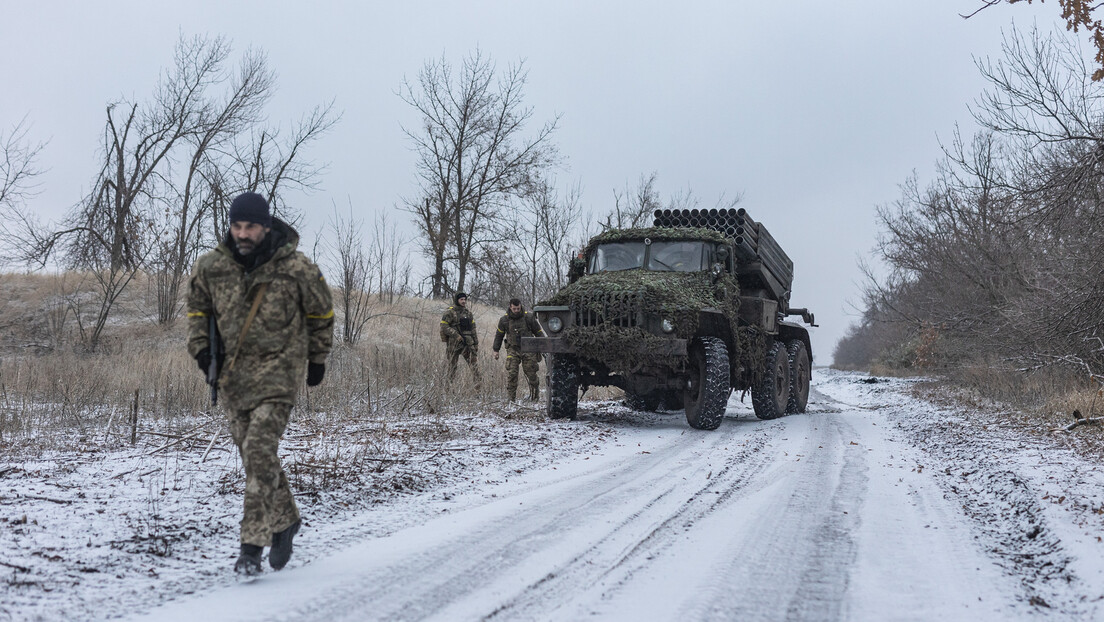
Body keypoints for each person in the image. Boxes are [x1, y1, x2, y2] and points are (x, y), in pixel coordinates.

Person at [186, 192, 334, 576]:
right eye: (237, 225)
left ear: (266, 226)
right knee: (255, 457)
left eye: (250, 226)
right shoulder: (212, 267)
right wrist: (202, 352)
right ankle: (286, 520)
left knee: (258, 447)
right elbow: (197, 311)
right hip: (234, 378)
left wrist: (316, 359)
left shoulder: (296, 268)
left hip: (279, 374)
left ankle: (251, 546)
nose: (243, 233)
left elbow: (322, 313)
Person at [492, 298, 545, 401]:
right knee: (512, 374)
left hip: (528, 348)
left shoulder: (529, 317)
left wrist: (543, 346)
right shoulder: (504, 320)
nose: (516, 310)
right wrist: (495, 350)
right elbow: (499, 335)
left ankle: (535, 397)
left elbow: (538, 332)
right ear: (510, 307)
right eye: (514, 309)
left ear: (521, 306)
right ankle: (511, 399)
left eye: (518, 308)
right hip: (513, 349)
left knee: (531, 373)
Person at [440, 291, 482, 388]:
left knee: (474, 366)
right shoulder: (450, 312)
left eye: (464, 299)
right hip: (454, 344)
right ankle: (448, 388)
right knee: (452, 367)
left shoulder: (468, 313)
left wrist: (476, 343)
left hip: (468, 344)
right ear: (457, 300)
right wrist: (456, 335)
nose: (463, 301)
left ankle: (478, 389)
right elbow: (444, 326)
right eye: (461, 299)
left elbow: (473, 329)